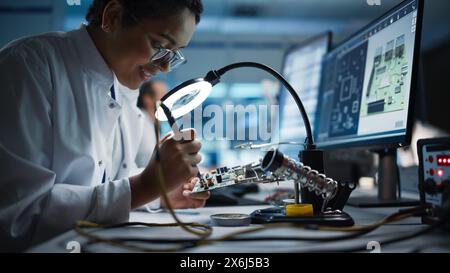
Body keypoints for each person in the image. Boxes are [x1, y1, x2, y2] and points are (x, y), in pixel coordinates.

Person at [0, 0, 209, 251]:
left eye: (174, 54)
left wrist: (161, 194)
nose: (164, 67)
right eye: (159, 45)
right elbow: (16, 220)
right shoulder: (29, 66)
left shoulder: (123, 86)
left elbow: (110, 184)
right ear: (112, 17)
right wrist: (144, 187)